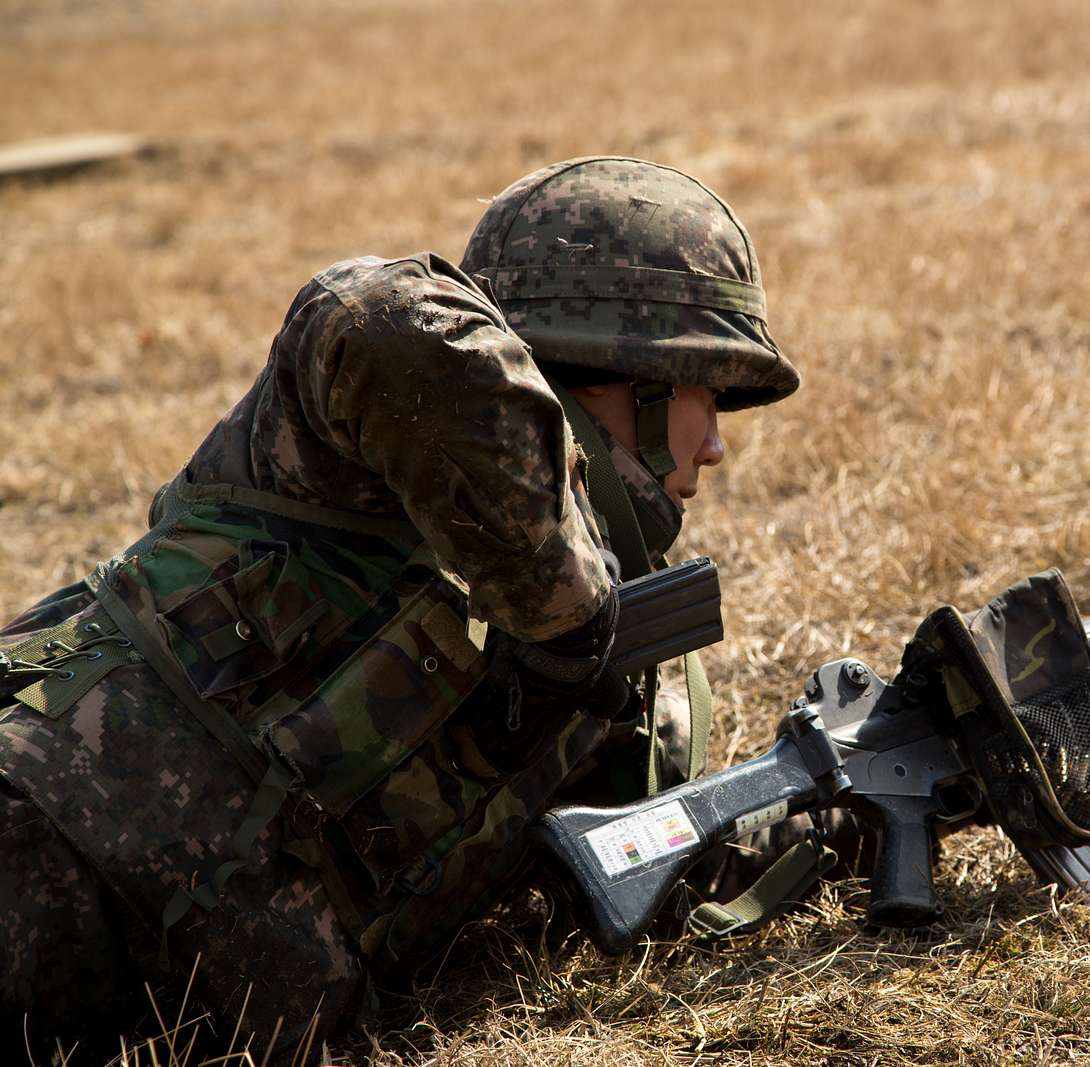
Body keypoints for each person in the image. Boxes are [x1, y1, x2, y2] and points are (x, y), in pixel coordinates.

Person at [0, 156, 799, 1057]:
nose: (719, 445)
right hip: (43, 837)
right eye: (712, 393)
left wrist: (842, 796)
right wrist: (562, 609)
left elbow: (648, 852)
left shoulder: (625, 645)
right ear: (638, 370)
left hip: (162, 1018)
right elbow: (380, 315)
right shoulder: (370, 442)